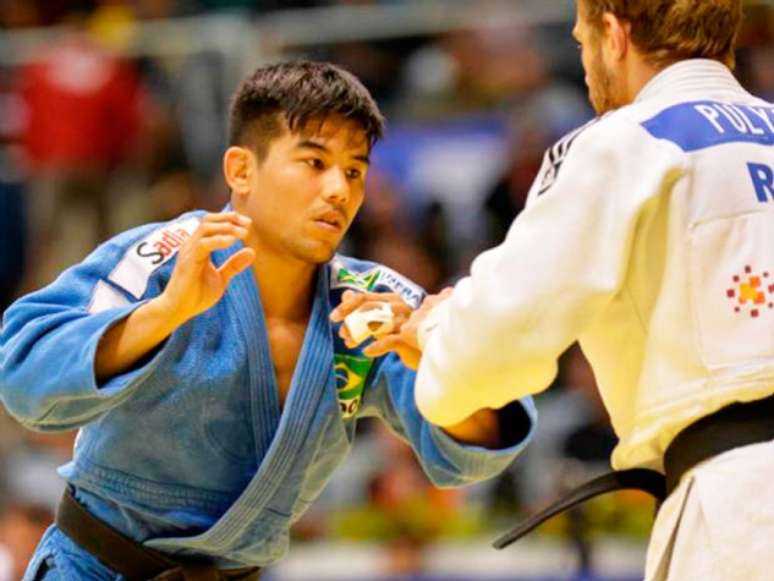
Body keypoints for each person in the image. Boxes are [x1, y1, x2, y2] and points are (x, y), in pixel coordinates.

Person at [0, 61, 536, 580]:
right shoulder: (167, 257)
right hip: (99, 569)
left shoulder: (368, 303)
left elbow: (478, 449)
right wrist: (165, 314)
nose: (338, 190)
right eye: (314, 162)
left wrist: (433, 362)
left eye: (354, 171)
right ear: (241, 170)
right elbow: (24, 375)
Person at [336, 1, 774, 579]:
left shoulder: (622, 143)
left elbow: (494, 344)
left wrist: (434, 328)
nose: (586, 66)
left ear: (614, 35)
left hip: (742, 510)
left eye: (581, 42)